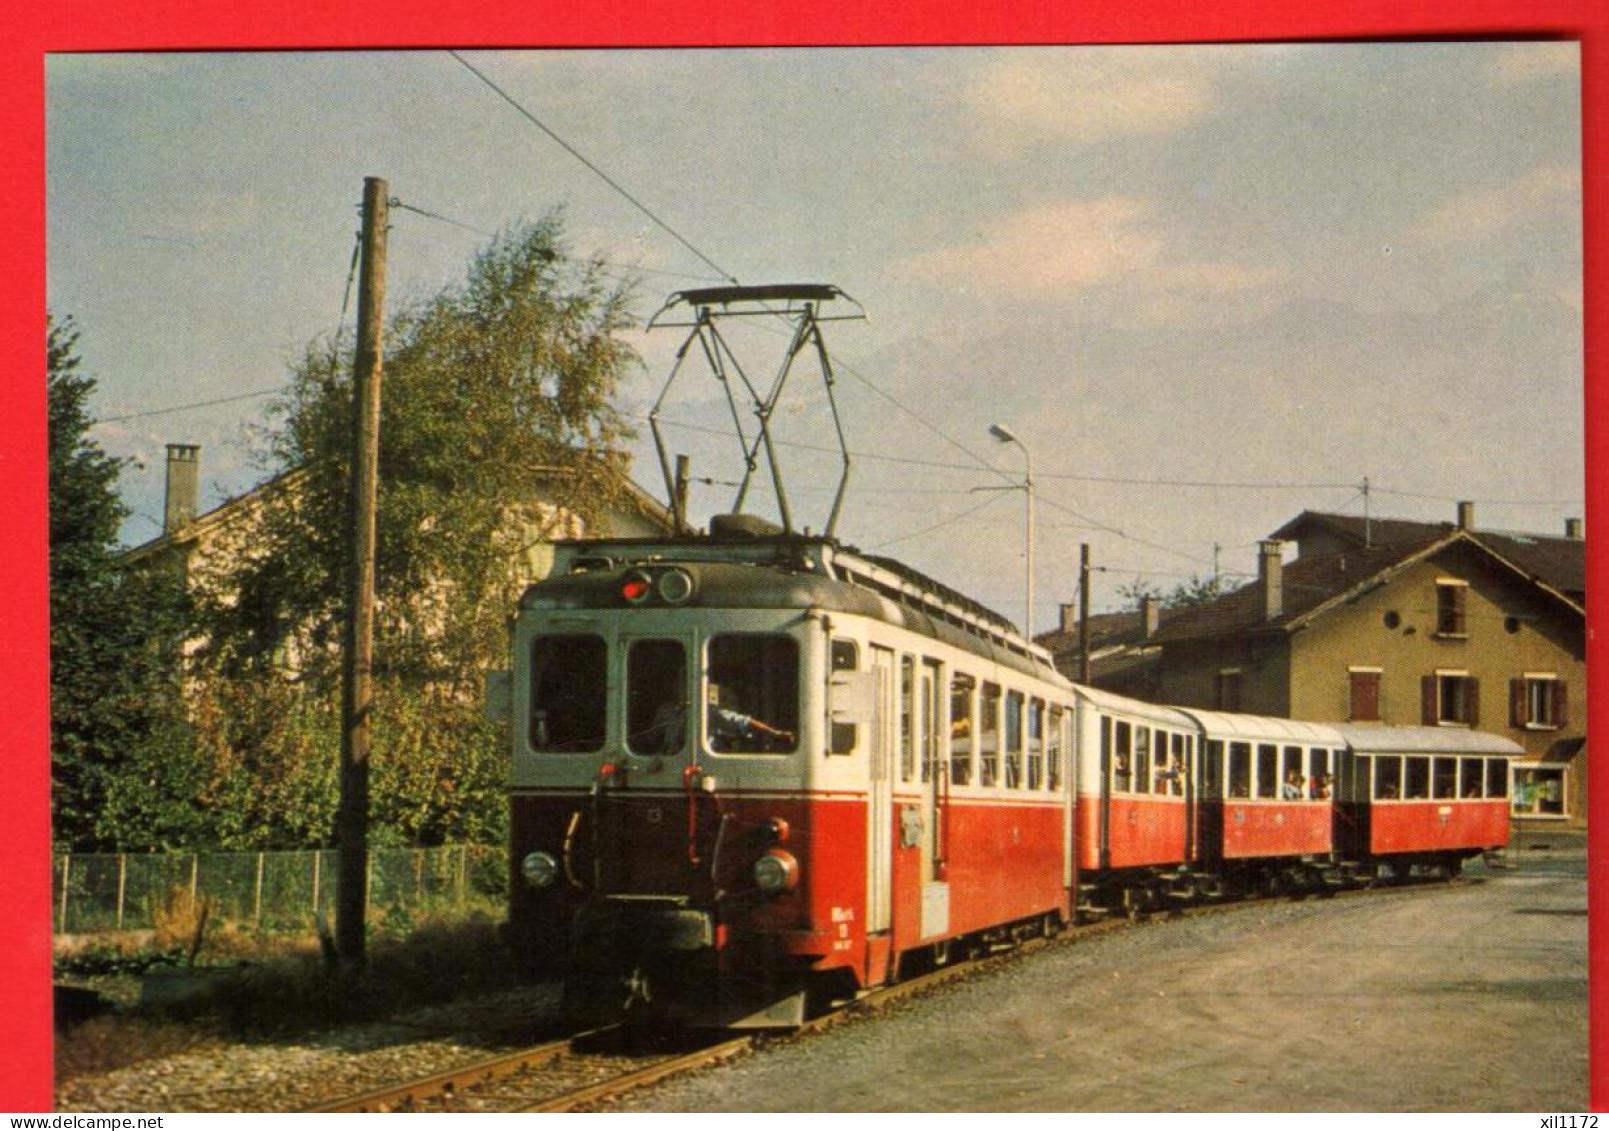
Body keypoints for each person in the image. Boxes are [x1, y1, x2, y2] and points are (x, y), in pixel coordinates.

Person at [708, 683, 793, 749]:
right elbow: (745, 723)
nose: (731, 706)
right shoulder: (710, 713)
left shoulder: (711, 713)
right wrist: (774, 733)